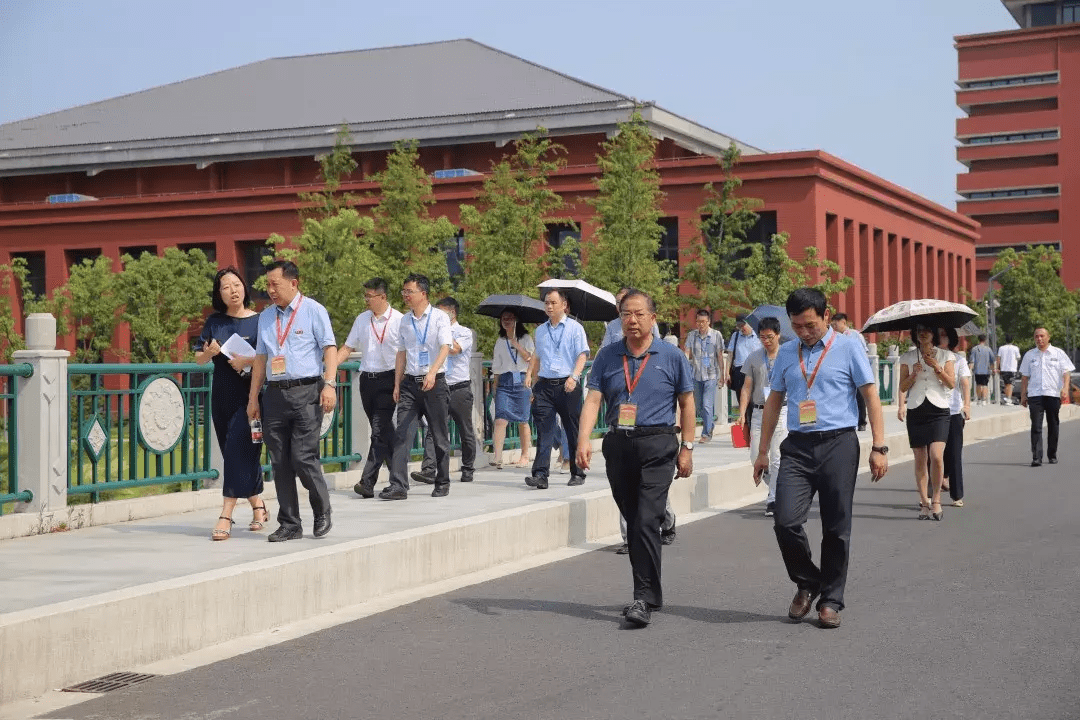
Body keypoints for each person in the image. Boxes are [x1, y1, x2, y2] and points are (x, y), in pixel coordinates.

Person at [753, 288, 887, 629]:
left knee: (836, 527)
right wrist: (763, 450)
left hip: (839, 443)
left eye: (809, 324)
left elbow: (870, 394)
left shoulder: (848, 346)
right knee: (785, 520)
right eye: (797, 326)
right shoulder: (786, 352)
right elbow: (773, 401)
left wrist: (879, 446)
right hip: (797, 446)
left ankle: (830, 600)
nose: (804, 332)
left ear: (826, 316)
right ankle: (808, 580)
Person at [577, 289, 695, 627]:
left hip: (658, 443)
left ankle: (641, 598)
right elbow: (594, 400)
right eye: (626, 314)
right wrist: (583, 440)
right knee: (636, 521)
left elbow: (687, 404)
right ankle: (651, 592)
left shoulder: (671, 356)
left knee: (645, 520)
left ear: (653, 318)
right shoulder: (607, 356)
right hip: (618, 444)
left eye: (639, 313)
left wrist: (687, 448)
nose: (632, 320)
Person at [246, 260, 337, 542]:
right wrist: (253, 398)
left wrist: (330, 384)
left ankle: (322, 510)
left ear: (293, 283)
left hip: (307, 391)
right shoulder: (265, 317)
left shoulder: (313, 311)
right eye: (267, 285)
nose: (270, 290)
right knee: (280, 460)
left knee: (302, 456)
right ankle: (290, 523)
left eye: (276, 284)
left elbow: (330, 347)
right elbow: (261, 358)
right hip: (274, 394)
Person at [196, 267, 266, 541]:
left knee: (240, 449)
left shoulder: (261, 320)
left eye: (237, 284)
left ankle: (226, 513)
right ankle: (258, 505)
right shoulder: (214, 322)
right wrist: (209, 352)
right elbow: (198, 360)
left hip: (251, 397)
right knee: (233, 452)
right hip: (222, 396)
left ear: (244, 288)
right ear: (219, 294)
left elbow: (269, 357)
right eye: (226, 287)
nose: (233, 290)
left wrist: (246, 362)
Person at [385, 274, 454, 499]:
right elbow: (401, 353)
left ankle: (442, 481)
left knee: (439, 433)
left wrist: (432, 372)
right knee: (402, 433)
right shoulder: (404, 321)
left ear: (423, 294)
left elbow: (445, 347)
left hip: (434, 384)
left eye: (409, 292)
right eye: (404, 292)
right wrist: (397, 383)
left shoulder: (439, 318)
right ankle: (398, 485)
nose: (405, 296)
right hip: (410, 386)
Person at [337, 278, 403, 498]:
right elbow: (347, 347)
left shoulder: (399, 321)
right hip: (367, 381)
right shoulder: (362, 320)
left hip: (389, 380)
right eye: (365, 295)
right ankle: (399, 479)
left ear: (382, 297)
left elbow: (406, 355)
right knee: (385, 433)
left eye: (369, 296)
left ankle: (367, 482)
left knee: (378, 431)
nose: (366, 300)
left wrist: (400, 383)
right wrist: (329, 371)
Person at [524, 288, 589, 489]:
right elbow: (537, 355)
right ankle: (540, 475)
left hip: (567, 385)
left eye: (553, 303)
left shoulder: (575, 328)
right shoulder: (540, 330)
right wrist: (531, 379)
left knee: (572, 429)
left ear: (564, 305)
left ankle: (577, 472)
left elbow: (582, 354)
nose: (549, 306)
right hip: (544, 385)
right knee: (545, 430)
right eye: (546, 303)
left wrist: (574, 377)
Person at [412, 297, 477, 485]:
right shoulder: (433, 333)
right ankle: (429, 470)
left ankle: (467, 467)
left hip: (459, 388)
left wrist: (443, 334)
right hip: (440, 386)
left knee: (465, 430)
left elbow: (454, 349)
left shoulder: (463, 332)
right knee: (434, 429)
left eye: (441, 312)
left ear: (452, 313)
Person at [897, 325, 955, 521]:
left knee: (936, 456)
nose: (923, 334)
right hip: (916, 410)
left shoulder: (946, 355)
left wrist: (936, 367)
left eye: (927, 330)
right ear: (915, 334)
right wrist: (913, 375)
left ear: (934, 334)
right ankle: (924, 501)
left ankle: (936, 499)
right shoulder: (908, 357)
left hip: (939, 409)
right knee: (920, 458)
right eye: (919, 330)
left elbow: (951, 384)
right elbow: (902, 387)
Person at [739, 316, 786, 517]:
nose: (766, 341)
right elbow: (746, 388)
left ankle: (774, 499)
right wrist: (742, 413)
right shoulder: (754, 357)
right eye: (762, 338)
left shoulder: (788, 355)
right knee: (756, 456)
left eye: (770, 337)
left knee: (776, 456)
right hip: (759, 412)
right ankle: (779, 487)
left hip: (782, 411)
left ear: (778, 335)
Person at [1020, 327, 1075, 467]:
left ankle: (1052, 454)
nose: (1039, 339)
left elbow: (1066, 372)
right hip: (1035, 395)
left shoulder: (1058, 353)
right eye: (1037, 336)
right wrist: (1023, 395)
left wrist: (1065, 388)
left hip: (1053, 394)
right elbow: (1025, 377)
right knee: (1036, 426)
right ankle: (1036, 457)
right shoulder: (1030, 355)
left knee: (1053, 425)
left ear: (1048, 337)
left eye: (1042, 336)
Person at [489, 310, 534, 470]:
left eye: (510, 318)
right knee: (500, 419)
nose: (506, 321)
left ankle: (525, 455)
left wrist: (516, 344)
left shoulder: (526, 338)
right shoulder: (500, 341)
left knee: (523, 420)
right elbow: (496, 365)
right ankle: (498, 456)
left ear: (516, 320)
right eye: (503, 319)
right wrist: (495, 385)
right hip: (505, 382)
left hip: (522, 380)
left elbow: (530, 359)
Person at [684, 309, 725, 442]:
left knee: (707, 405)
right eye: (698, 321)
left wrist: (722, 374)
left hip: (711, 375)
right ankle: (710, 425)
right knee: (699, 406)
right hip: (696, 375)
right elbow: (687, 353)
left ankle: (706, 434)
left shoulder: (716, 335)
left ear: (708, 322)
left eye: (703, 322)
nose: (701, 324)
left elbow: (720, 356)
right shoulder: (692, 335)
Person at [940, 328, 970, 507]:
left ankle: (957, 494)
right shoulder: (929, 358)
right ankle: (930, 492)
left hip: (953, 411)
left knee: (954, 452)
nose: (940, 338)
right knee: (934, 453)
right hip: (934, 410)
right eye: (938, 335)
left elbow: (964, 383)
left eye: (943, 335)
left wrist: (967, 405)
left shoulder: (959, 360)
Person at [830, 313, 869, 431]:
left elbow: (864, 352)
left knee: (859, 395)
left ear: (843, 322)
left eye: (836, 324)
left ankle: (861, 422)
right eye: (832, 325)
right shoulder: (833, 337)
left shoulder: (855, 335)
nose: (834, 327)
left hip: (855, 369)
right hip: (841, 371)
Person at [726, 313, 761, 397]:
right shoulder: (735, 336)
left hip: (754, 370)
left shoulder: (758, 335)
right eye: (739, 326)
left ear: (749, 323)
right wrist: (727, 373)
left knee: (754, 400)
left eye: (743, 325)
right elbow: (730, 355)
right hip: (739, 370)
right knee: (741, 398)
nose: (741, 328)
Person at [968, 334, 994, 406]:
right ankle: (984, 400)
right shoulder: (988, 349)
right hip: (986, 370)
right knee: (985, 385)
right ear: (985, 340)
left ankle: (979, 399)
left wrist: (970, 369)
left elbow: (972, 361)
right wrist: (993, 369)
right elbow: (992, 360)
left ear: (978, 340)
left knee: (978, 384)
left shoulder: (974, 349)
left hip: (977, 370)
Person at [997, 334, 1021, 405]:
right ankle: (1008, 399)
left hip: (1003, 368)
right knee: (1010, 384)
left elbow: (998, 358)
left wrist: (998, 368)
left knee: (1006, 384)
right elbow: (1018, 357)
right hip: (1012, 368)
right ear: (1012, 340)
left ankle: (1007, 398)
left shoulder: (1001, 348)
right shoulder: (1015, 348)